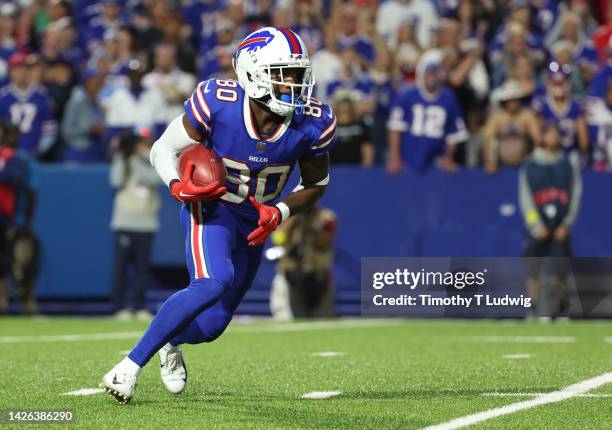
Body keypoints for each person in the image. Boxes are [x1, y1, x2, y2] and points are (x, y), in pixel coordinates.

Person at [100, 27, 336, 404]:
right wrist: (177, 186)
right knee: (213, 281)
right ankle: (128, 366)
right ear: (253, 72)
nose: (294, 85)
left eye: (298, 74)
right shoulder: (217, 102)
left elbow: (315, 184)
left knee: (212, 325)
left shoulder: (313, 122)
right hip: (213, 208)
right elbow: (164, 149)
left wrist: (280, 211)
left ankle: (171, 340)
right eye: (284, 74)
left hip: (256, 221)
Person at [519, 121, 581, 320]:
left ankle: (562, 312)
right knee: (532, 271)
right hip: (539, 227)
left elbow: (576, 194)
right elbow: (525, 198)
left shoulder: (569, 163)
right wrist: (536, 225)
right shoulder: (530, 164)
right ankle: (533, 311)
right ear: (542, 137)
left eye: (556, 133)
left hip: (560, 225)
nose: (553, 137)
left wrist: (567, 223)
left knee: (561, 271)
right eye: (549, 133)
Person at [386, 49, 468, 174]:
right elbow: (395, 128)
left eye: (435, 74)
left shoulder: (448, 97)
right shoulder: (407, 95)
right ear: (422, 74)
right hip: (408, 159)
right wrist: (395, 156)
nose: (432, 77)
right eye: (429, 73)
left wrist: (448, 156)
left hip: (436, 163)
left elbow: (454, 133)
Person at [109, 129, 162, 322]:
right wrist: (124, 158)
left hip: (146, 222)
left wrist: (139, 160)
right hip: (124, 221)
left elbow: (155, 179)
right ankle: (119, 307)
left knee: (142, 267)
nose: (143, 147)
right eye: (140, 144)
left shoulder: (149, 162)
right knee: (121, 267)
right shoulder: (122, 160)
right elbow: (116, 180)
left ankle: (139, 306)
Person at [270, 206, 337, 320]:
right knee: (286, 317)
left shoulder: (326, 217)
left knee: (322, 319)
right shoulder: (286, 217)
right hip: (290, 273)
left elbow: (324, 242)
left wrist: (311, 225)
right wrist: (291, 222)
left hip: (317, 274)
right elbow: (277, 239)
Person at [0, 120, 38, 314]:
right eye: (10, 134)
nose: (13, 138)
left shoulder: (21, 159)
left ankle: (27, 301)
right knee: (6, 260)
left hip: (16, 217)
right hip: (7, 216)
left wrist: (26, 220)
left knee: (23, 261)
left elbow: (31, 190)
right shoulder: (7, 157)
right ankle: (4, 300)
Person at [0, 53, 57, 158]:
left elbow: (50, 128)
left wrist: (40, 149)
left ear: (28, 71)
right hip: (6, 155)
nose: (20, 73)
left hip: (35, 154)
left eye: (23, 68)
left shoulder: (41, 94)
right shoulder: (2, 96)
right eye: (16, 69)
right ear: (10, 72)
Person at [483, 80, 540, 173]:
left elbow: (537, 139)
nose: (513, 102)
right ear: (505, 101)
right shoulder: (497, 117)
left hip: (524, 165)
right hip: (500, 167)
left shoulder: (527, 115)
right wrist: (489, 161)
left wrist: (536, 163)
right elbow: (488, 139)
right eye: (510, 99)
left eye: (515, 99)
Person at [61, 69, 107, 162]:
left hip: (96, 151)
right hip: (78, 151)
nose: (97, 84)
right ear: (86, 83)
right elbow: (66, 130)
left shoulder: (98, 104)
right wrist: (88, 129)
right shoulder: (75, 103)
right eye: (94, 81)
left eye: (98, 81)